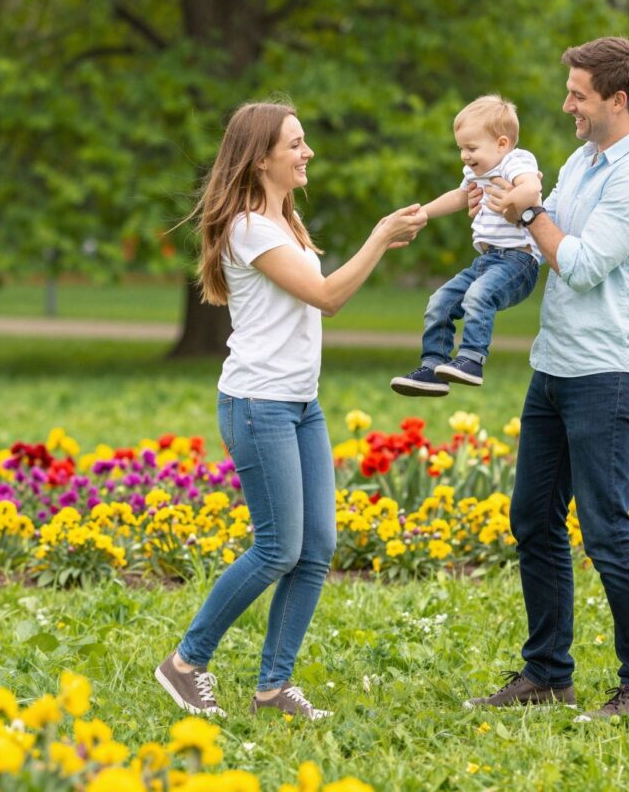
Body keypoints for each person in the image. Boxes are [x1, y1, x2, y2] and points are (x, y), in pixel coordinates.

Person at [156, 100, 426, 721]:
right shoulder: (250, 228)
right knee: (278, 548)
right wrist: (381, 236)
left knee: (317, 546)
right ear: (261, 158)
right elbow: (328, 297)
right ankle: (185, 663)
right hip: (258, 403)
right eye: (296, 144)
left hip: (300, 403)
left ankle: (273, 689)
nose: (308, 153)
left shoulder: (288, 223)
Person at [466, 37, 629, 720]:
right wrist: (503, 214)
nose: (566, 105)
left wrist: (529, 211)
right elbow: (540, 238)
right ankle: (548, 674)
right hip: (555, 364)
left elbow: (580, 263)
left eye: (579, 94)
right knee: (532, 518)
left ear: (618, 99)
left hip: (608, 370)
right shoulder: (583, 161)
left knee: (606, 527)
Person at [390, 95, 542, 397]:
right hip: (486, 261)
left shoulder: (516, 161)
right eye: (461, 147)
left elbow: (533, 186)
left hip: (518, 262)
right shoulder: (476, 173)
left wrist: (512, 202)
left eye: (471, 148)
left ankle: (472, 360)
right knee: (440, 300)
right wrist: (424, 213)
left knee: (478, 295)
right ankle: (433, 366)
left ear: (501, 143)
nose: (464, 155)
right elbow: (460, 197)